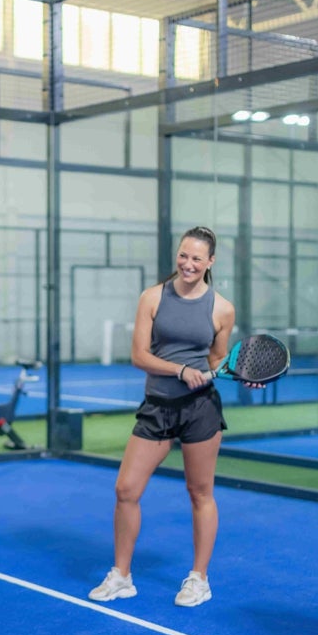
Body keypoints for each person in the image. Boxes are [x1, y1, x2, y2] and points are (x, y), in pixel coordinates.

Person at [89, 225, 247, 608]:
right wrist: (178, 370)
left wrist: (240, 374)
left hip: (201, 410)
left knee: (200, 492)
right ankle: (121, 576)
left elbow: (215, 360)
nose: (188, 264)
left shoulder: (222, 308)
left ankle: (199, 579)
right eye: (183, 255)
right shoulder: (152, 298)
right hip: (157, 406)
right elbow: (139, 355)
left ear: (210, 262)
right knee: (126, 489)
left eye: (196, 258)